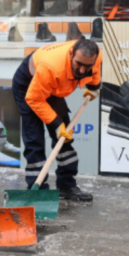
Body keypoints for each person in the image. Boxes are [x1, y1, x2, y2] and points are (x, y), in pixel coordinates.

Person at [12, 38, 102, 201]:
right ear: (70, 54)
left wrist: (94, 88)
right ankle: (37, 191)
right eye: (78, 64)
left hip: (52, 87)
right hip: (28, 87)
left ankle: (66, 186)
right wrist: (55, 122)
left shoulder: (94, 57)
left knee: (64, 139)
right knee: (34, 140)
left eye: (87, 66)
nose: (82, 71)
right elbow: (34, 99)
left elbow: (94, 71)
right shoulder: (51, 67)